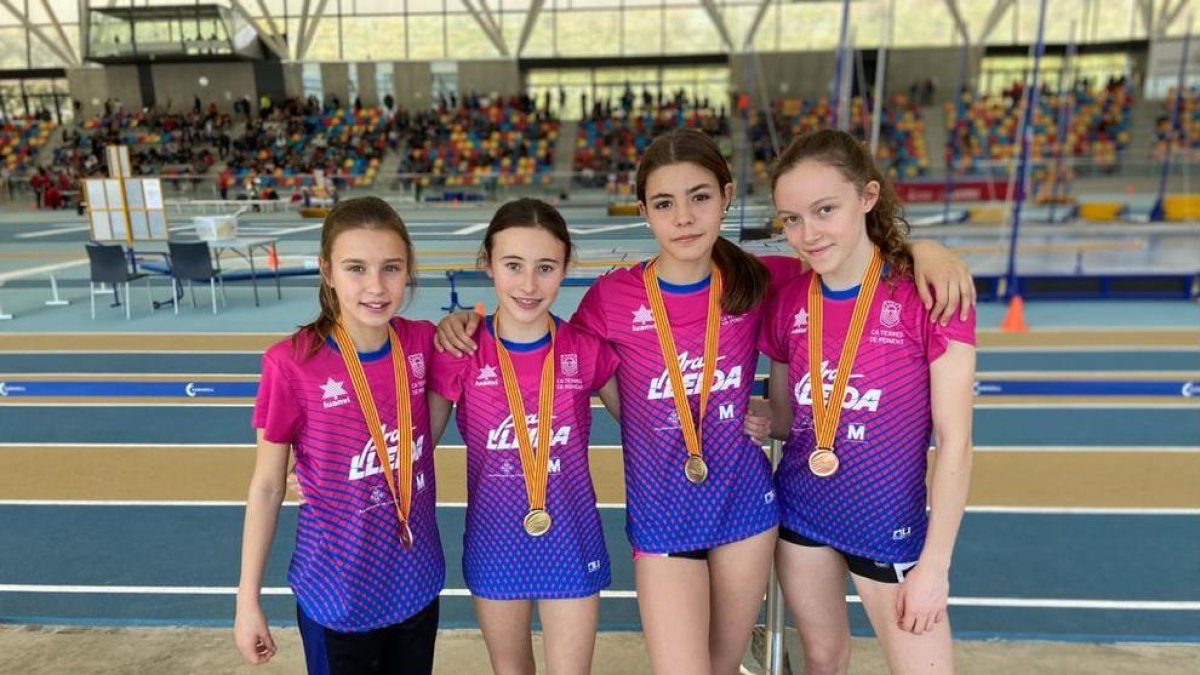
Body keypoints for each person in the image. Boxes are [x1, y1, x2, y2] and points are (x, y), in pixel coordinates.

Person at [436, 129, 973, 674]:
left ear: (726, 197)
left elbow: (851, 260)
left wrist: (925, 251)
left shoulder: (763, 280)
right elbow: (542, 347)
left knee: (722, 666)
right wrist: (465, 327)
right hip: (663, 515)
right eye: (665, 203)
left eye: (700, 197)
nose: (685, 217)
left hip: (746, 510)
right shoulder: (612, 298)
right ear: (644, 211)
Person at [746, 129, 975, 675]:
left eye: (824, 210)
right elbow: (786, 419)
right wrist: (754, 421)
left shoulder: (928, 295)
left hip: (889, 529)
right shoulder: (788, 301)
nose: (807, 234)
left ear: (867, 197)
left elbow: (957, 443)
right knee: (823, 661)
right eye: (791, 219)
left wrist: (935, 568)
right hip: (802, 517)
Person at [234, 197, 445, 675]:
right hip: (336, 593)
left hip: (414, 581)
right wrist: (248, 601)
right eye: (356, 268)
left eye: (391, 268)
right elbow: (267, 485)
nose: (375, 286)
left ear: (407, 268)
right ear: (327, 271)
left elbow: (430, 423)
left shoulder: (422, 343)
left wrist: (463, 321)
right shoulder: (290, 363)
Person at [428, 198, 620, 675]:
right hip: (496, 541)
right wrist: (320, 471)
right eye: (513, 265)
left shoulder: (586, 350)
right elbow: (413, 444)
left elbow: (646, 423)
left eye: (546, 267)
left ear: (564, 268)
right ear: (487, 263)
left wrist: (735, 416)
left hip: (571, 538)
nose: (529, 285)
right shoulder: (462, 351)